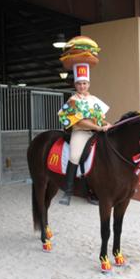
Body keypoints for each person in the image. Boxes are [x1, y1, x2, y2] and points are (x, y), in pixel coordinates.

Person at [57, 72, 111, 206]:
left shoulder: (94, 100)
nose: (82, 86)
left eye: (84, 83)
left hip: (95, 131)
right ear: (75, 85)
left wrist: (107, 124)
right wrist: (97, 128)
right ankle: (68, 191)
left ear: (88, 84)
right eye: (79, 84)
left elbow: (100, 119)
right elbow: (79, 122)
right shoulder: (73, 100)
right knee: (74, 156)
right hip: (80, 132)